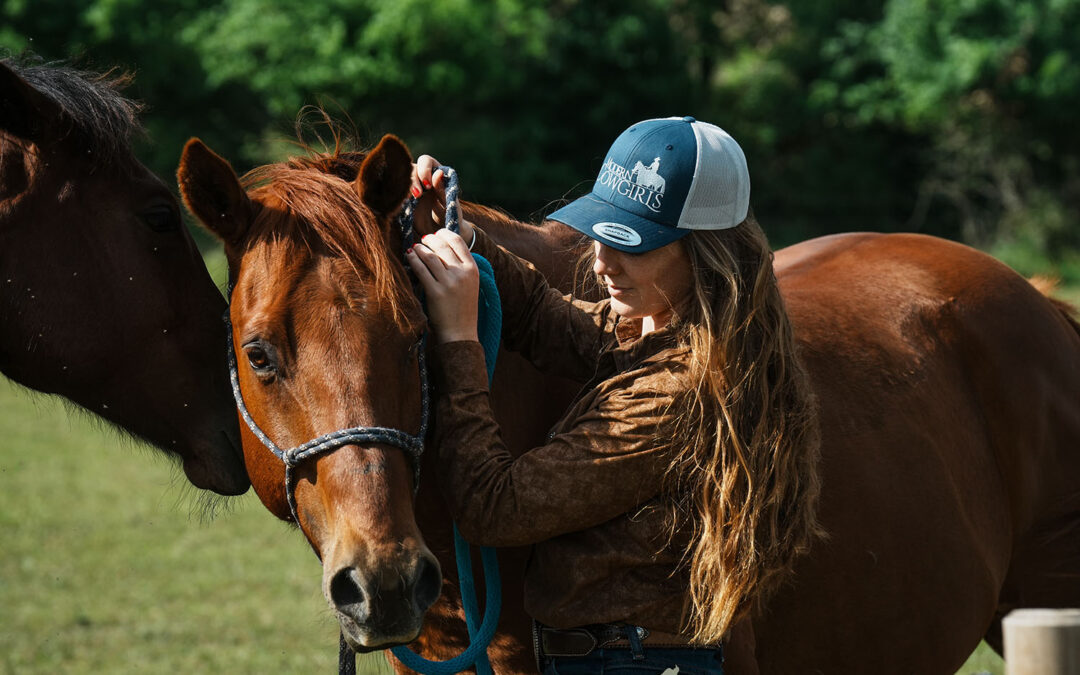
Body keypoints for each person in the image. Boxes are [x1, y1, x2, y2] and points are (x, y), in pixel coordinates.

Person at [405, 117, 822, 674]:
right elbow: (544, 319)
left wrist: (458, 340)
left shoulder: (676, 397)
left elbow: (494, 509)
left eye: (631, 244)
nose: (601, 261)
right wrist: (464, 237)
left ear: (706, 255)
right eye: (601, 231)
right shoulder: (666, 328)